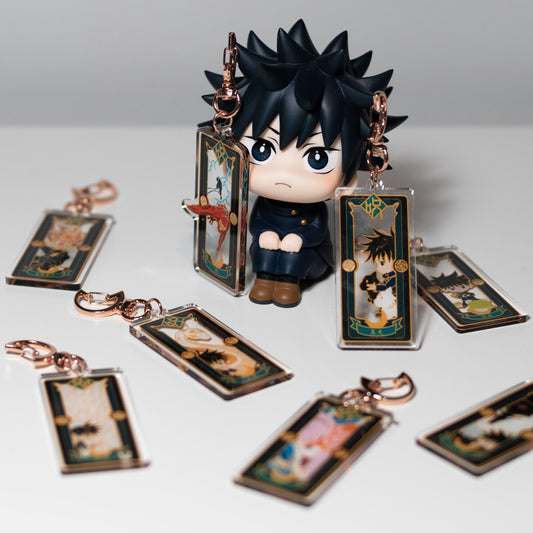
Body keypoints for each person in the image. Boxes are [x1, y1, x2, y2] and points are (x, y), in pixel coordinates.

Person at [203, 20, 405, 306]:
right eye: (262, 150)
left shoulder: (314, 209)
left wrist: (298, 239)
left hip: (308, 254)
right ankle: (264, 279)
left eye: (318, 158)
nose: (284, 175)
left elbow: (316, 230)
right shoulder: (265, 202)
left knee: (297, 257)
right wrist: (265, 234)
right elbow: (256, 222)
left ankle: (288, 283)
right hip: (270, 245)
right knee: (261, 250)